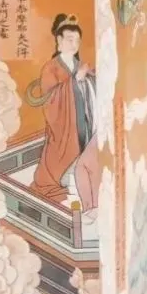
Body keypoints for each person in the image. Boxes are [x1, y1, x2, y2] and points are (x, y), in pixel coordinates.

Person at [27, 13, 99, 214]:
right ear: (59, 41)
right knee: (60, 160)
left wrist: (89, 77)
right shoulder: (51, 68)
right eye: (69, 39)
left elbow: (87, 87)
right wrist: (74, 81)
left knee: (86, 152)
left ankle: (83, 187)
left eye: (77, 40)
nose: (74, 44)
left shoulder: (78, 65)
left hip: (82, 121)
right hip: (63, 128)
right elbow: (51, 100)